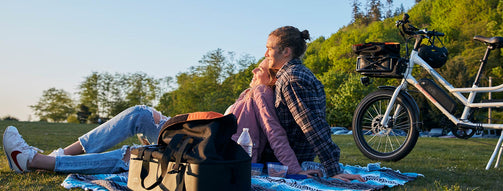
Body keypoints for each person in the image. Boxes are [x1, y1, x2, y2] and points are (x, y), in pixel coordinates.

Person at [3, 60, 312, 176]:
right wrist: (171, 120)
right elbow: (214, 120)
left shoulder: (262, 94)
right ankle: (60, 154)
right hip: (199, 135)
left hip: (211, 152)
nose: (255, 69)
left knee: (133, 155)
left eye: (261, 68)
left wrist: (297, 170)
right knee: (140, 113)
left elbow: (275, 134)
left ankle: (35, 161)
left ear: (270, 77)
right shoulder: (249, 93)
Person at [264, 26, 365, 182]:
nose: (266, 54)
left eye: (269, 48)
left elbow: (312, 126)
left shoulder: (291, 79)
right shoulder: (294, 73)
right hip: (289, 155)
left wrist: (332, 169)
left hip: (289, 158)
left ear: (286, 51)